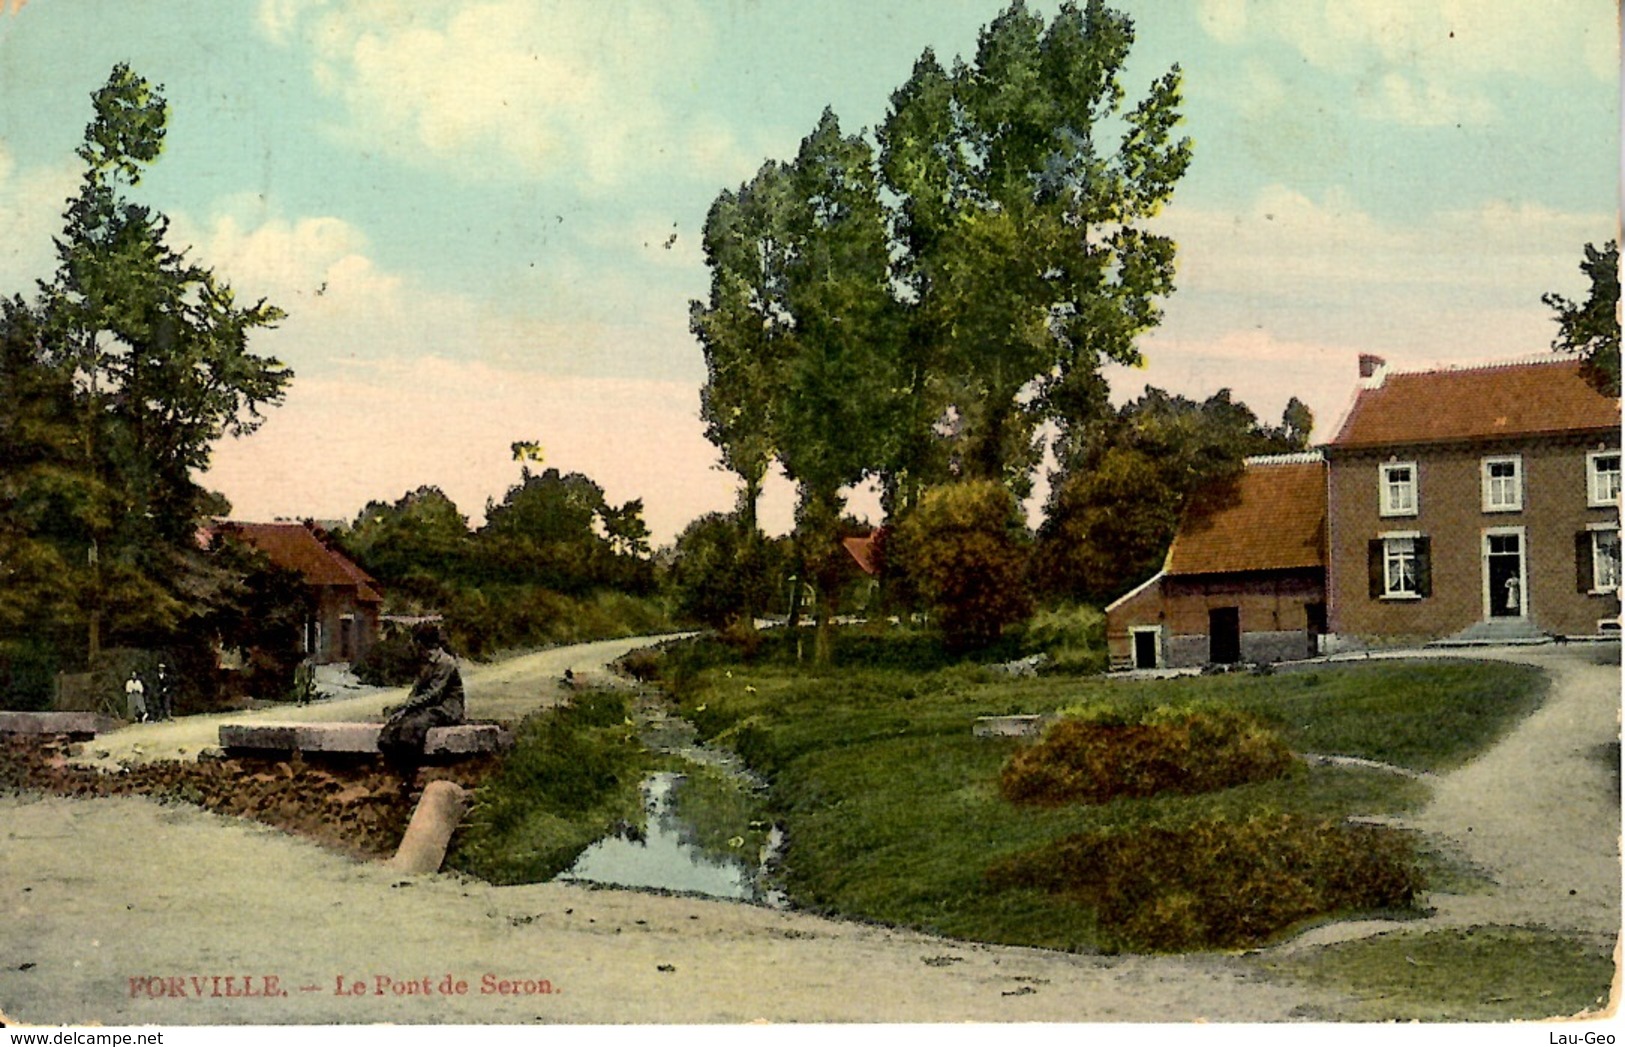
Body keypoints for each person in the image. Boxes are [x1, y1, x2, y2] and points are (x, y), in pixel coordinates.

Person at [378, 622, 465, 769]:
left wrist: (406, 706)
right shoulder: (424, 662)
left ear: (419, 642)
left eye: (413, 641)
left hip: (445, 708)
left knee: (412, 727)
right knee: (393, 727)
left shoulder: (445, 663)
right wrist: (402, 711)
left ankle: (410, 771)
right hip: (427, 707)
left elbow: (434, 695)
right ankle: (393, 770)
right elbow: (416, 691)